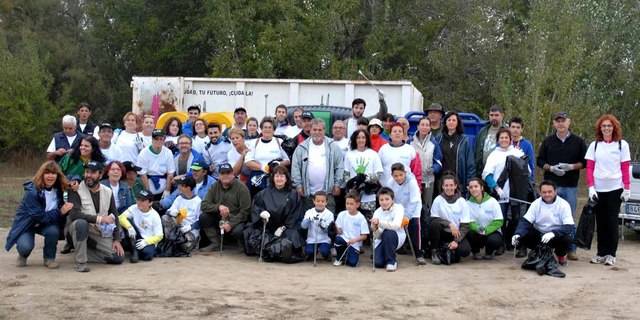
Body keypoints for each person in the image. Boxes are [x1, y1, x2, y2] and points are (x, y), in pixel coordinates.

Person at [536, 111, 586, 260]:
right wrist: (550, 168)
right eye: (557, 121)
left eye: (563, 121)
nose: (560, 123)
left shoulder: (578, 141)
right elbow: (540, 161)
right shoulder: (548, 141)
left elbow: (585, 162)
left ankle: (571, 249)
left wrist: (571, 167)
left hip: (570, 186)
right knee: (548, 217)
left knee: (568, 217)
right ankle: (549, 246)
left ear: (569, 122)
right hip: (551, 187)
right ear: (554, 124)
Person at [5, 161, 72, 269]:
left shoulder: (58, 188)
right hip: (28, 223)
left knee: (53, 231)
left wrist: (76, 181)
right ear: (42, 174)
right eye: (47, 173)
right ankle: (23, 255)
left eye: (54, 173)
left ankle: (49, 258)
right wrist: (60, 212)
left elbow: (72, 176)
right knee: (25, 247)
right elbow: (39, 216)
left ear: (57, 175)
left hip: (47, 223)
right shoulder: (32, 192)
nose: (50, 176)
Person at [585, 114, 631, 266]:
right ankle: (601, 253)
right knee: (601, 222)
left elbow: (624, 167)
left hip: (615, 188)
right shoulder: (595, 145)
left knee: (612, 222)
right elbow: (590, 167)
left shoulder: (621, 145)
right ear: (600, 128)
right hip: (598, 189)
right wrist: (591, 187)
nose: (606, 128)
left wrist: (627, 187)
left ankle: (611, 253)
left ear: (614, 127)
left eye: (609, 126)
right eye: (604, 126)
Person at [65, 161, 124, 272]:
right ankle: (81, 262)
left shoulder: (108, 191)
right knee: (81, 223)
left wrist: (117, 239)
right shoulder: (75, 188)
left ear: (100, 175)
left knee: (118, 257)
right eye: (87, 172)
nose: (88, 175)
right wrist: (100, 219)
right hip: (76, 229)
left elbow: (114, 215)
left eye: (93, 172)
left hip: (97, 232)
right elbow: (74, 215)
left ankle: (84, 252)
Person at [243, 165, 304, 262]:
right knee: (253, 233)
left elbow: (295, 214)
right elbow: (256, 207)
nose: (279, 179)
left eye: (282, 176)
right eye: (277, 176)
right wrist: (261, 212)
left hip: (286, 229)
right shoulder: (263, 193)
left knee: (291, 238)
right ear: (273, 178)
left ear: (286, 179)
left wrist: (283, 227)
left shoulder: (293, 194)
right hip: (267, 227)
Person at [482, 128, 527, 251]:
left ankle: (513, 242)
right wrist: (496, 187)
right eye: (501, 138)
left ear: (510, 139)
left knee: (516, 219)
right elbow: (487, 174)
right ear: (498, 140)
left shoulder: (518, 153)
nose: (504, 140)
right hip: (500, 193)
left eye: (506, 137)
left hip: (516, 193)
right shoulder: (493, 155)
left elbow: (526, 172)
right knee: (500, 219)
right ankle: (500, 244)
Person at [512, 180, 575, 266]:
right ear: (540, 192)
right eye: (544, 192)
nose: (547, 194)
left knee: (567, 239)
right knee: (523, 232)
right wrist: (518, 234)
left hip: (555, 236)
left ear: (555, 191)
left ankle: (561, 255)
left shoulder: (564, 205)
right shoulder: (536, 204)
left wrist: (553, 233)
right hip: (539, 235)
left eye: (550, 192)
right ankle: (537, 252)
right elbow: (525, 221)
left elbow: (569, 226)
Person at [291, 118, 344, 213]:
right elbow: (295, 168)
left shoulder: (333, 146)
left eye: (320, 130)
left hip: (328, 193)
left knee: (328, 224)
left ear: (324, 131)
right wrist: (298, 185)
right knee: (309, 223)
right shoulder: (301, 148)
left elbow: (339, 167)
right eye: (314, 129)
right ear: (310, 130)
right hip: (308, 195)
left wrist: (337, 184)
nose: (317, 132)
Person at [199, 163, 251, 252]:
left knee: (238, 230)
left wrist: (231, 224)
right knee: (204, 217)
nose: (225, 175)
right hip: (219, 217)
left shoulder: (242, 188)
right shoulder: (215, 186)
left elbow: (245, 212)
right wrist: (218, 207)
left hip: (236, 218)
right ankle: (216, 243)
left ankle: (241, 245)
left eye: (228, 173)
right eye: (223, 173)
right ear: (219, 175)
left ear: (233, 174)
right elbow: (204, 205)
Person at [387, 163, 426, 264]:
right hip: (399, 208)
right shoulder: (390, 183)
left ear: (405, 173)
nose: (398, 178)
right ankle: (395, 249)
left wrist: (407, 216)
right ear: (392, 175)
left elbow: (414, 201)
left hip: (413, 208)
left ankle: (419, 254)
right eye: (396, 175)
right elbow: (389, 198)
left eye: (401, 175)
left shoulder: (412, 182)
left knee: (414, 229)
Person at [429, 175, 472, 265]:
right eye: (446, 185)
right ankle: (434, 251)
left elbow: (465, 226)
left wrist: (456, 241)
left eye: (451, 185)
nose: (449, 188)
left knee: (465, 251)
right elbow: (434, 218)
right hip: (442, 232)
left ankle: (450, 249)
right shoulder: (438, 200)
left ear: (455, 186)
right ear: (443, 186)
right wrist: (449, 224)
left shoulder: (462, 201)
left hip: (456, 234)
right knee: (434, 224)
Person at [343, 129, 383, 218]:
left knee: (368, 218)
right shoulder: (349, 154)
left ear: (367, 139)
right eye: (358, 138)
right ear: (355, 139)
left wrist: (366, 178)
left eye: (363, 137)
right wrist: (352, 183)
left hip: (368, 193)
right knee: (352, 217)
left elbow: (379, 173)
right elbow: (346, 173)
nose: (361, 140)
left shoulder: (373, 154)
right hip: (354, 193)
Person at [245, 117, 290, 194]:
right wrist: (263, 167)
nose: (267, 129)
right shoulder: (254, 143)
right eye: (265, 127)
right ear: (261, 129)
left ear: (274, 129)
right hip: (258, 180)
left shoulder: (279, 142)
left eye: (270, 127)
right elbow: (248, 161)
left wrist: (278, 164)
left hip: (276, 178)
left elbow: (287, 160)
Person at [118, 189, 163, 262]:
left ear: (150, 203)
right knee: (127, 221)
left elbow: (159, 235)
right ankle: (134, 251)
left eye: (143, 201)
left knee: (147, 255)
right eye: (138, 199)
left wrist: (146, 241)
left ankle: (135, 251)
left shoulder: (155, 216)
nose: (139, 203)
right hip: (135, 235)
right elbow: (120, 218)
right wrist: (129, 227)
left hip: (147, 239)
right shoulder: (134, 208)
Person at [160, 175, 201, 256]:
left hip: (190, 230)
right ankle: (170, 242)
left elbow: (200, 220)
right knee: (165, 217)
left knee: (186, 246)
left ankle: (182, 245)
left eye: (182, 185)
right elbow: (168, 212)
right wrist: (171, 212)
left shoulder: (198, 201)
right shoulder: (179, 198)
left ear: (188, 188)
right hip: (178, 227)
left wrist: (190, 227)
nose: (179, 187)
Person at [466, 178, 503, 260]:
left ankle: (489, 252)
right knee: (469, 233)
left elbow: (499, 221)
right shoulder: (467, 204)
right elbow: (469, 221)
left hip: (491, 232)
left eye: (476, 186)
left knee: (494, 240)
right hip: (477, 232)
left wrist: (487, 230)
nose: (473, 189)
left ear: (482, 188)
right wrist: (478, 228)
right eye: (471, 187)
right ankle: (475, 251)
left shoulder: (493, 201)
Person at [371, 187, 405, 272]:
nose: (384, 202)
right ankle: (387, 255)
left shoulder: (399, 208)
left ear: (392, 199)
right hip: (382, 239)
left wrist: (379, 223)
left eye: (387, 199)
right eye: (381, 200)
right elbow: (377, 236)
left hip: (396, 236)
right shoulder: (377, 212)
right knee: (378, 263)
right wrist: (375, 228)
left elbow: (396, 226)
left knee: (388, 232)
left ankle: (391, 262)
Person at [440, 112, 475, 194]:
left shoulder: (464, 140)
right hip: (442, 181)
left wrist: (469, 182)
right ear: (445, 122)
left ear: (458, 123)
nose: (451, 122)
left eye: (454, 120)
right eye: (449, 120)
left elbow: (470, 164)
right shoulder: (439, 139)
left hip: (459, 182)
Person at [378, 123, 422, 188]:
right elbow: (378, 169)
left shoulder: (410, 149)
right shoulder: (383, 149)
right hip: (387, 190)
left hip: (406, 189)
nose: (397, 133)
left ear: (403, 135)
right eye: (394, 131)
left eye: (400, 131)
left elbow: (416, 172)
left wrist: (418, 188)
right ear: (390, 135)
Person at [411, 116, 443, 208]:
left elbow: (439, 162)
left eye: (427, 125)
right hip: (414, 180)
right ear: (418, 126)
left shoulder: (434, 143)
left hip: (428, 180)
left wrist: (433, 169)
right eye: (422, 125)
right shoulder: (410, 142)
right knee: (415, 205)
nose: (424, 127)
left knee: (427, 206)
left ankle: (427, 222)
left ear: (430, 128)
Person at [136, 129, 175, 201]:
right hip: (148, 183)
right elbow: (142, 174)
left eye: (161, 139)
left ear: (164, 140)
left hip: (164, 185)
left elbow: (170, 173)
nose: (159, 141)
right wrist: (148, 192)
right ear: (152, 139)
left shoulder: (168, 152)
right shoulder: (144, 153)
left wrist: (167, 190)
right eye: (156, 139)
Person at [333, 191, 369, 267]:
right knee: (337, 240)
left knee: (352, 263)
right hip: (343, 239)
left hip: (354, 243)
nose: (349, 206)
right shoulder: (342, 214)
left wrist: (355, 240)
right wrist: (336, 229)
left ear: (358, 205)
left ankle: (347, 255)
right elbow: (338, 230)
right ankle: (339, 257)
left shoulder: (361, 218)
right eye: (347, 203)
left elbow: (364, 236)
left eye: (351, 204)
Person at [301, 191, 334, 261]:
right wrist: (308, 220)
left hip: (324, 239)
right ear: (314, 201)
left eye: (322, 201)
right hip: (312, 239)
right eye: (318, 201)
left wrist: (322, 224)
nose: (320, 203)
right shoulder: (309, 212)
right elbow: (303, 226)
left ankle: (327, 254)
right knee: (309, 251)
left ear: (326, 202)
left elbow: (329, 230)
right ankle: (312, 254)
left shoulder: (329, 214)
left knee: (324, 250)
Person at [475, 104, 506, 175]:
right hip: (482, 171)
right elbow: (476, 152)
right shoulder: (482, 131)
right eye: (491, 115)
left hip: (498, 172)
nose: (493, 117)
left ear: (502, 115)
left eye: (496, 115)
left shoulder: (506, 131)